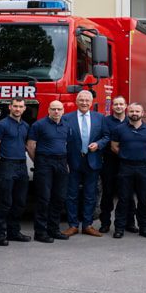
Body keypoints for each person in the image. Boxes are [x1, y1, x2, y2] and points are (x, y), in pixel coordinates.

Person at [110, 102, 146, 238]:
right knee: (123, 199)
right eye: (132, 111)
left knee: (143, 200)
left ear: (142, 113)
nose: (134, 114)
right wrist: (126, 155)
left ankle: (144, 228)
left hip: (144, 168)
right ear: (128, 112)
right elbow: (114, 147)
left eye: (137, 111)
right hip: (125, 167)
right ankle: (119, 228)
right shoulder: (119, 129)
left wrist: (143, 156)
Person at [63, 90, 109, 237]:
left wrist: (99, 144)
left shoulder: (100, 118)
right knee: (71, 195)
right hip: (73, 162)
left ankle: (88, 225)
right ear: (76, 102)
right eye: (81, 100)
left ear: (91, 102)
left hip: (92, 161)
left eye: (87, 100)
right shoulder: (66, 118)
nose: (84, 103)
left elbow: (107, 136)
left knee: (90, 195)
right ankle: (73, 225)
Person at [0, 98, 31, 245]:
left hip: (21, 165)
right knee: (5, 201)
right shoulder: (2, 125)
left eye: (20, 106)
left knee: (20, 202)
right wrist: (2, 161)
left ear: (24, 108)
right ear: (10, 107)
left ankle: (14, 232)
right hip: (7, 165)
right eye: (15, 106)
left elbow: (27, 145)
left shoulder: (25, 125)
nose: (17, 109)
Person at [28, 99, 71, 243]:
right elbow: (30, 146)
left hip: (61, 162)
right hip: (44, 162)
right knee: (44, 198)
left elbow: (67, 144)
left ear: (63, 111)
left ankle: (54, 229)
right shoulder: (39, 125)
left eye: (59, 109)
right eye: (53, 109)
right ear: (48, 110)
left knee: (59, 198)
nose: (56, 111)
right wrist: (39, 162)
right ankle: (40, 232)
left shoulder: (66, 125)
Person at [98, 96, 130, 233]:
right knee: (108, 194)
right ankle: (105, 223)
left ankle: (130, 223)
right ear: (112, 107)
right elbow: (106, 138)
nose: (118, 106)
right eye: (116, 104)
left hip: (128, 162)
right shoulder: (105, 121)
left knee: (127, 194)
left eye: (121, 104)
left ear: (125, 106)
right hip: (110, 162)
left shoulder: (131, 120)